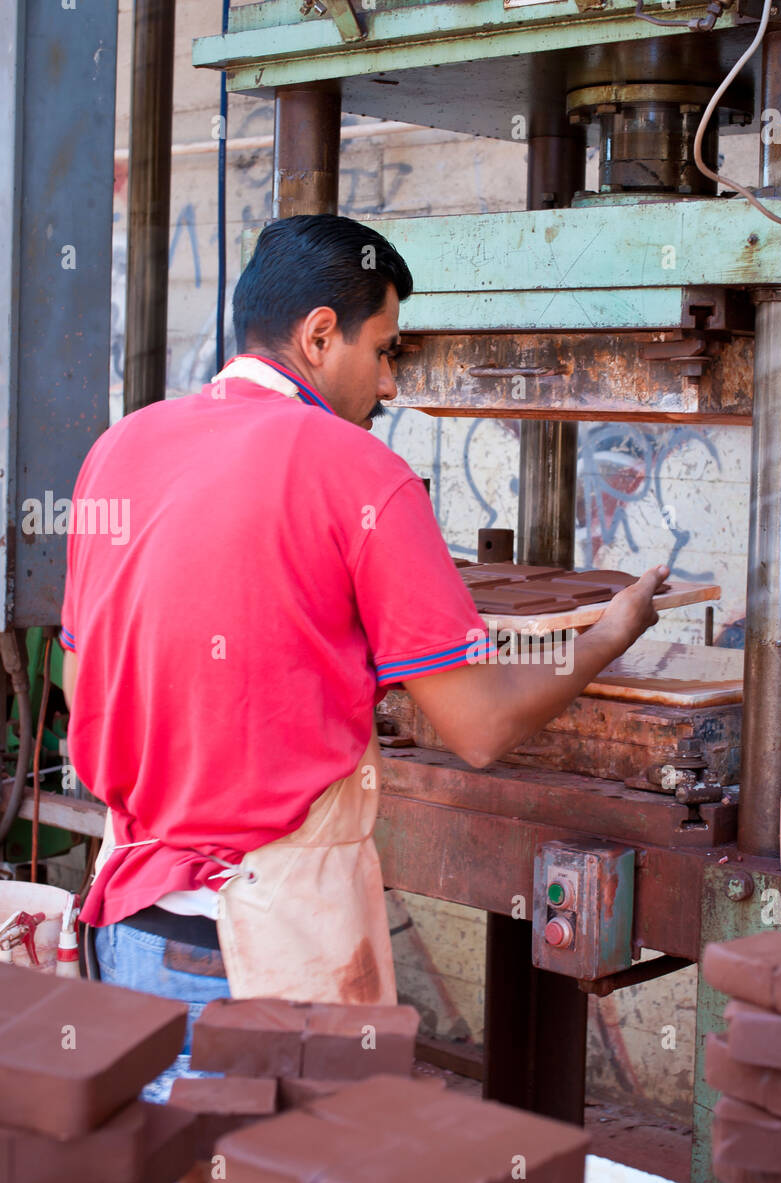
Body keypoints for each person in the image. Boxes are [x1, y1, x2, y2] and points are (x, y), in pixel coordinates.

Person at [60, 213, 668, 1069]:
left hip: (127, 934)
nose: (389, 385)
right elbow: (480, 730)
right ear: (318, 336)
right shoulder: (359, 471)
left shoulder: (117, 451)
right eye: (385, 351)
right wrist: (609, 633)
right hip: (265, 956)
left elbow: (93, 686)